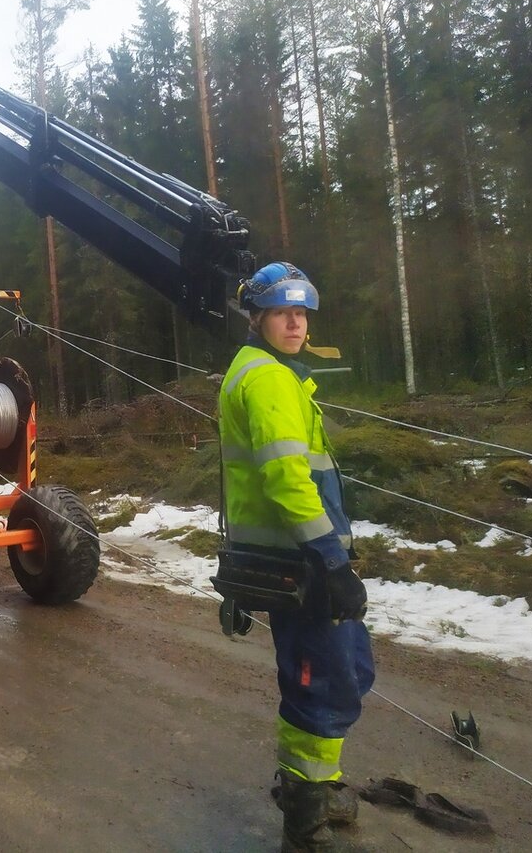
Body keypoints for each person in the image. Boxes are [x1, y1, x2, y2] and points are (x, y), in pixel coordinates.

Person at [216, 262, 374, 852]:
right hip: (300, 560)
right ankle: (305, 821)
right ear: (257, 318)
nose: (295, 323)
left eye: (302, 312)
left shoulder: (268, 372)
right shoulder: (268, 380)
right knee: (321, 683)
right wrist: (331, 560)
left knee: (347, 671)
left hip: (294, 554)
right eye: (283, 312)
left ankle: (318, 785)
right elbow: (287, 479)